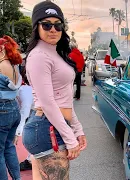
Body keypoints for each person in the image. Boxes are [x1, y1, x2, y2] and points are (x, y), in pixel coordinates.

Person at [22, 1, 87, 179]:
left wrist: (77, 129)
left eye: (58, 25)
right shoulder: (39, 56)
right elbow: (48, 103)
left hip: (52, 126)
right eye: (47, 24)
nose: (53, 29)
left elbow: (65, 97)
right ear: (37, 27)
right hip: (47, 129)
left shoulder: (55, 53)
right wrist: (70, 138)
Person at [0, 35, 23, 180]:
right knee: (9, 147)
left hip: (2, 110)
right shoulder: (15, 66)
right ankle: (17, 178)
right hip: (14, 108)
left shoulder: (1, 65)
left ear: (2, 49)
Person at [15, 68, 34, 171]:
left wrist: (18, 133)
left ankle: (30, 160)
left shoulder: (26, 90)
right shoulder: (25, 89)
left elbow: (24, 113)